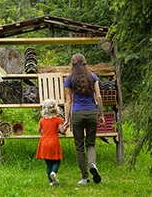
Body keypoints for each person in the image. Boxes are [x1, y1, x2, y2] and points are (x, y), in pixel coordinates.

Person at [63, 53, 105, 185]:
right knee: (91, 143)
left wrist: (67, 119)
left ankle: (85, 177)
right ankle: (92, 164)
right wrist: (101, 114)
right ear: (85, 63)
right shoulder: (92, 77)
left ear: (72, 64)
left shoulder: (69, 79)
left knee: (79, 147)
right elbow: (98, 97)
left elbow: (68, 101)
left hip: (77, 114)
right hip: (92, 113)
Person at [36, 99, 67, 186]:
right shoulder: (58, 119)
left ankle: (51, 182)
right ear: (55, 108)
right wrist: (65, 126)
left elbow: (39, 130)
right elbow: (62, 130)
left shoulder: (42, 120)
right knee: (57, 161)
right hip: (54, 142)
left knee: (48, 163)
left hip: (44, 142)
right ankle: (54, 172)